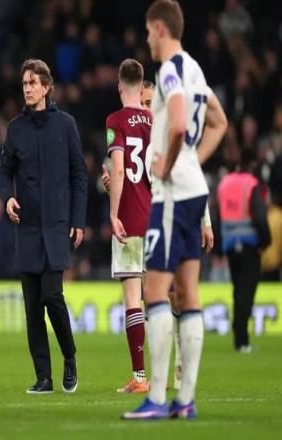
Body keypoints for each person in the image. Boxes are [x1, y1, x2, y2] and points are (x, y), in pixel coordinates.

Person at [123, 0, 227, 420]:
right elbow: (219, 121)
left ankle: (157, 398)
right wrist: (193, 162)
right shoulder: (196, 70)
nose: (147, 38)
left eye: (149, 31)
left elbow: (180, 122)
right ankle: (185, 400)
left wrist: (169, 164)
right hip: (194, 190)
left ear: (160, 29)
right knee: (188, 293)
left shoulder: (169, 70)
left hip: (171, 195)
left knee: (154, 292)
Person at [0, 59, 87, 394]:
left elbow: (79, 175)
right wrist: (8, 197)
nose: (28, 89)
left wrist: (78, 220)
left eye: (33, 83)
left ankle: (69, 356)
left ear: (47, 87)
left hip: (57, 227)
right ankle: (44, 377)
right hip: (27, 228)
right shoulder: (15, 128)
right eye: (24, 84)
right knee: (32, 308)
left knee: (52, 296)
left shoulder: (66, 125)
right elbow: (3, 171)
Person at [106, 58, 152, 394]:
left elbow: (120, 170)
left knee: (133, 300)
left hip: (130, 219)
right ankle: (164, 374)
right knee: (159, 300)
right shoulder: (156, 119)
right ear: (142, 85)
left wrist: (113, 213)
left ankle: (139, 377)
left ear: (120, 86)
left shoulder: (116, 120)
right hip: (158, 219)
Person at [217, 148, 271, 352]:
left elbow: (218, 214)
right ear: (254, 164)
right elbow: (259, 216)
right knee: (246, 293)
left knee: (238, 290)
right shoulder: (251, 184)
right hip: (249, 245)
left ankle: (238, 336)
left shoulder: (225, 183)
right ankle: (242, 341)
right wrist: (265, 242)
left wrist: (219, 247)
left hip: (230, 245)